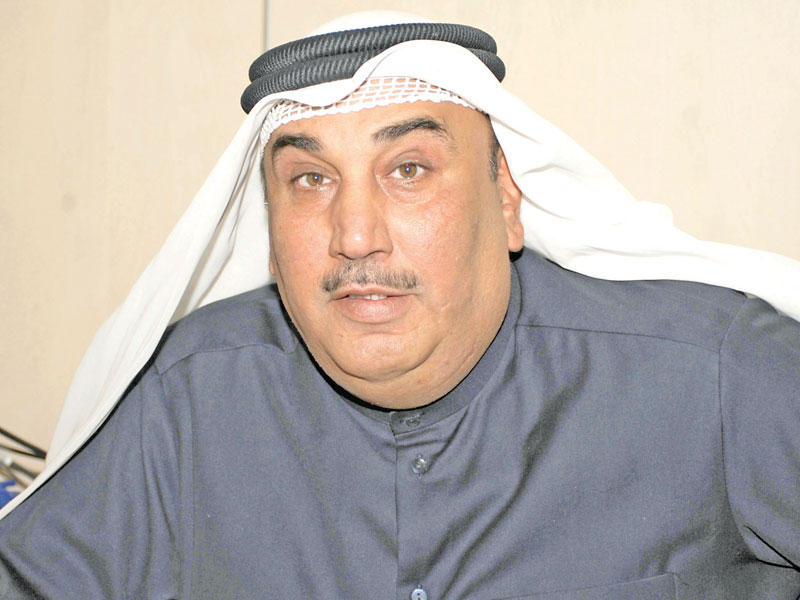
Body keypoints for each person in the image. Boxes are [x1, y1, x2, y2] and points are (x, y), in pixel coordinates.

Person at [0, 11, 798, 599]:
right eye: (310, 179)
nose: (354, 234)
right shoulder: (183, 401)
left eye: (408, 170)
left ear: (506, 196)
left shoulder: (713, 372)